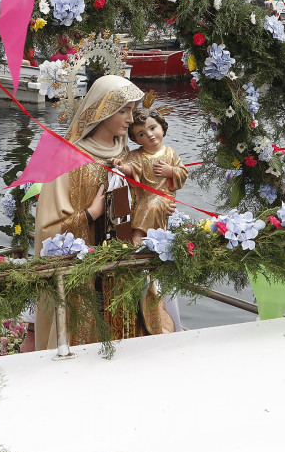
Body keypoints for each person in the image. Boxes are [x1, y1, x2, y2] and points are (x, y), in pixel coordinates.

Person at [32, 75, 172, 351]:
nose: (131, 119)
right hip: (85, 276)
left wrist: (157, 204)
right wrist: (89, 215)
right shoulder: (67, 158)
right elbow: (47, 230)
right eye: (124, 110)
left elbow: (140, 199)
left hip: (122, 265)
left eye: (132, 110)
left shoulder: (125, 152)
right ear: (102, 110)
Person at [122, 107, 188, 246]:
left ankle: (138, 236)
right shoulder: (136, 155)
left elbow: (182, 172)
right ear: (137, 140)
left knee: (152, 204)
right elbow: (132, 168)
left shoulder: (170, 153)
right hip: (143, 197)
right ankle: (145, 240)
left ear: (162, 128)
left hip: (164, 196)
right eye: (142, 134)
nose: (150, 135)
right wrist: (123, 168)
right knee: (147, 204)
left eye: (153, 128)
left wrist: (170, 171)